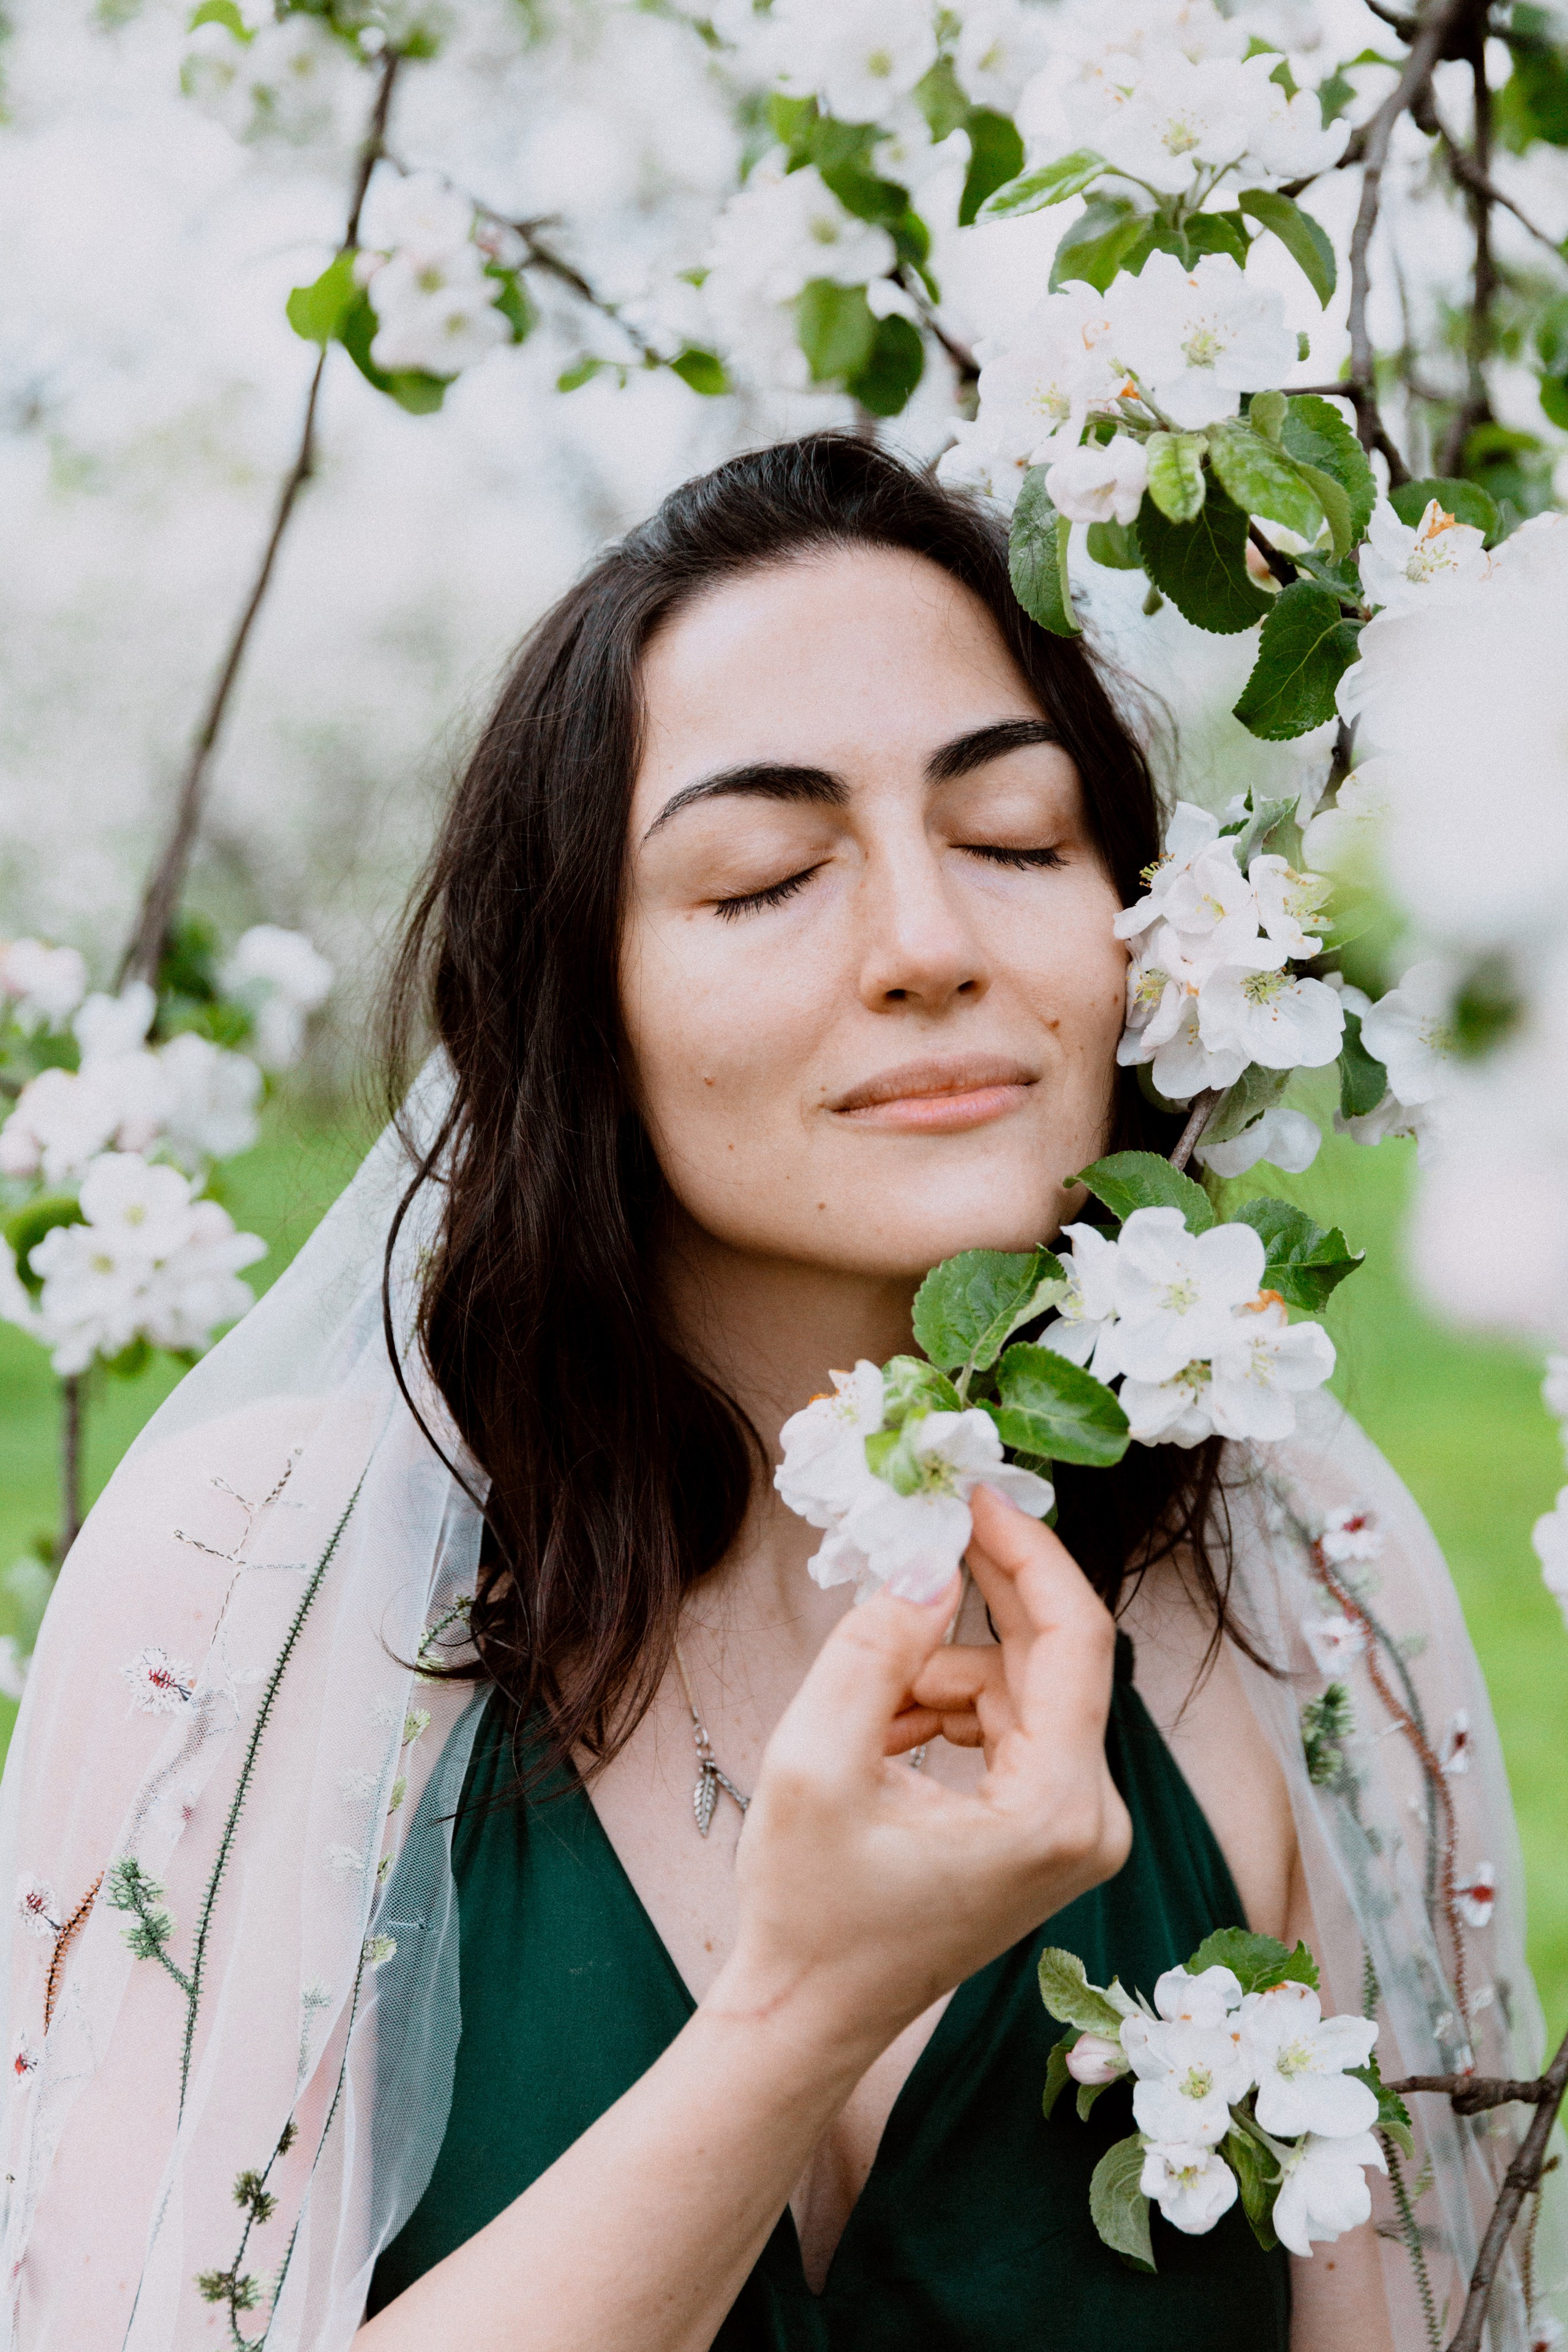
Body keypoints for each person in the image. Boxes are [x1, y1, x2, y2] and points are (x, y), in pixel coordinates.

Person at [0, 437, 1550, 2352]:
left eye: (1012, 842)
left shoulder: (1294, 1581)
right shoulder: (246, 1580)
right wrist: (795, 2023)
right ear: (575, 997)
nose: (929, 945)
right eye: (762, 877)